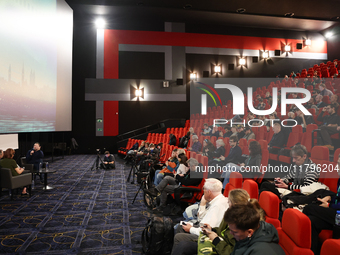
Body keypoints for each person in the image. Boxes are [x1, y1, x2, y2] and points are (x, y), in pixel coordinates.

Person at [196, 189, 265, 255]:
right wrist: (212, 229)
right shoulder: (232, 216)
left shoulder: (242, 224)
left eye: (229, 201)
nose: (227, 202)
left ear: (234, 204)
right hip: (219, 244)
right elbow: (223, 232)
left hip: (220, 247)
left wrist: (216, 240)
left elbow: (232, 251)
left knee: (186, 245)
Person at [171, 178, 229, 255]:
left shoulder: (217, 206)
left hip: (209, 236)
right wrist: (202, 204)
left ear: (209, 192)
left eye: (204, 189)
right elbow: (201, 220)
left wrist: (191, 229)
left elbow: (207, 230)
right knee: (180, 227)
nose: (203, 191)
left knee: (179, 237)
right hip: (205, 229)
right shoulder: (217, 201)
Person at [303, 176, 340, 255]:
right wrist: (330, 198)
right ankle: (311, 252)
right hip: (335, 213)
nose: (337, 168)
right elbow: (338, 198)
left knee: (309, 208)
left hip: (338, 214)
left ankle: (301, 246)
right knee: (312, 221)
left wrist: (329, 205)